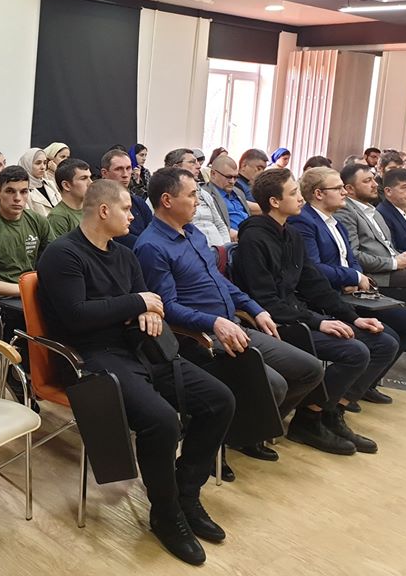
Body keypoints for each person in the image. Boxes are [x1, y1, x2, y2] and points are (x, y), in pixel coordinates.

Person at [37, 180, 233, 566]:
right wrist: (136, 303)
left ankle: (184, 492)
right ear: (104, 210)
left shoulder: (125, 255)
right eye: (127, 209)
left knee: (219, 400)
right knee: (161, 421)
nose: (133, 216)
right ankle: (165, 512)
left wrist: (146, 310)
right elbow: (77, 316)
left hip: (139, 349)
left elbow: (152, 304)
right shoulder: (62, 255)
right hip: (93, 358)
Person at [134, 168, 324, 469]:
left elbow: (221, 283)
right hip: (200, 337)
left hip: (232, 324)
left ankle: (244, 431)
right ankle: (223, 438)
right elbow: (165, 307)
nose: (199, 201)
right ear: (167, 200)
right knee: (275, 385)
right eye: (192, 195)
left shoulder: (193, 234)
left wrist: (255, 308)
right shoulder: (151, 246)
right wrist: (213, 323)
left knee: (309, 370)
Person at [232, 168, 398, 455]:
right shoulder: (254, 239)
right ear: (274, 201)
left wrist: (353, 317)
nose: (301, 198)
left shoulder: (291, 234)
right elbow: (266, 301)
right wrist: (319, 322)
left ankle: (332, 412)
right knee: (355, 352)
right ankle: (309, 419)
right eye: (294, 193)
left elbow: (315, 285)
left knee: (384, 343)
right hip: (276, 322)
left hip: (299, 314)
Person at [290, 167, 406, 404]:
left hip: (352, 292)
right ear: (319, 193)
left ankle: (355, 391)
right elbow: (313, 268)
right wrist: (352, 277)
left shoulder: (334, 221)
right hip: (324, 297)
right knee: (387, 338)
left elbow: (351, 258)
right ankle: (332, 402)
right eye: (338, 188)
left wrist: (357, 276)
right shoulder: (304, 221)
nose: (344, 192)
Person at [0, 165, 52, 405]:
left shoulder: (37, 221)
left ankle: (50, 377)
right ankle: (19, 376)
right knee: (43, 316)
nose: (18, 198)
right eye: (10, 191)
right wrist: (23, 290)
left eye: (24, 192)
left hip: (30, 291)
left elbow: (54, 261)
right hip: (1, 299)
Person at [335, 163, 406, 302]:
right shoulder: (346, 212)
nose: (375, 184)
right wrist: (395, 263)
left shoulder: (373, 211)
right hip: (379, 276)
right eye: (367, 181)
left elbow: (389, 247)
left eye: (373, 179)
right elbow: (353, 254)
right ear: (349, 189)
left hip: (396, 268)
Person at [163, 148, 231, 247]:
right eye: (192, 162)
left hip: (220, 249)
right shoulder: (165, 197)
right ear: (176, 167)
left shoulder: (204, 194)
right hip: (194, 250)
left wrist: (226, 248)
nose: (199, 166)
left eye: (198, 162)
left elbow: (220, 225)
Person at [100, 148, 153, 247]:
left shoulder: (138, 202)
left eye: (128, 168)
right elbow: (117, 237)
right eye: (118, 169)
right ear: (104, 173)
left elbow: (154, 231)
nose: (125, 175)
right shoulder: (98, 205)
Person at [204, 154, 249, 233]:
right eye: (228, 177)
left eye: (235, 177)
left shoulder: (239, 192)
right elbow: (207, 225)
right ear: (213, 174)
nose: (232, 181)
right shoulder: (205, 194)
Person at [47, 158, 91, 237]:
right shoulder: (58, 217)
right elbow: (59, 245)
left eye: (89, 177)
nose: (90, 183)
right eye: (83, 178)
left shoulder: (91, 209)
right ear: (66, 185)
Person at [19, 147, 59, 217]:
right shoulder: (22, 190)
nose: (43, 167)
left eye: (45, 163)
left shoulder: (50, 184)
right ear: (27, 165)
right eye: (38, 163)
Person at [236, 148, 268, 213]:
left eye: (263, 169)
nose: (262, 173)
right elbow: (240, 203)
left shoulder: (257, 185)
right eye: (259, 168)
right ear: (244, 165)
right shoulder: (235, 183)